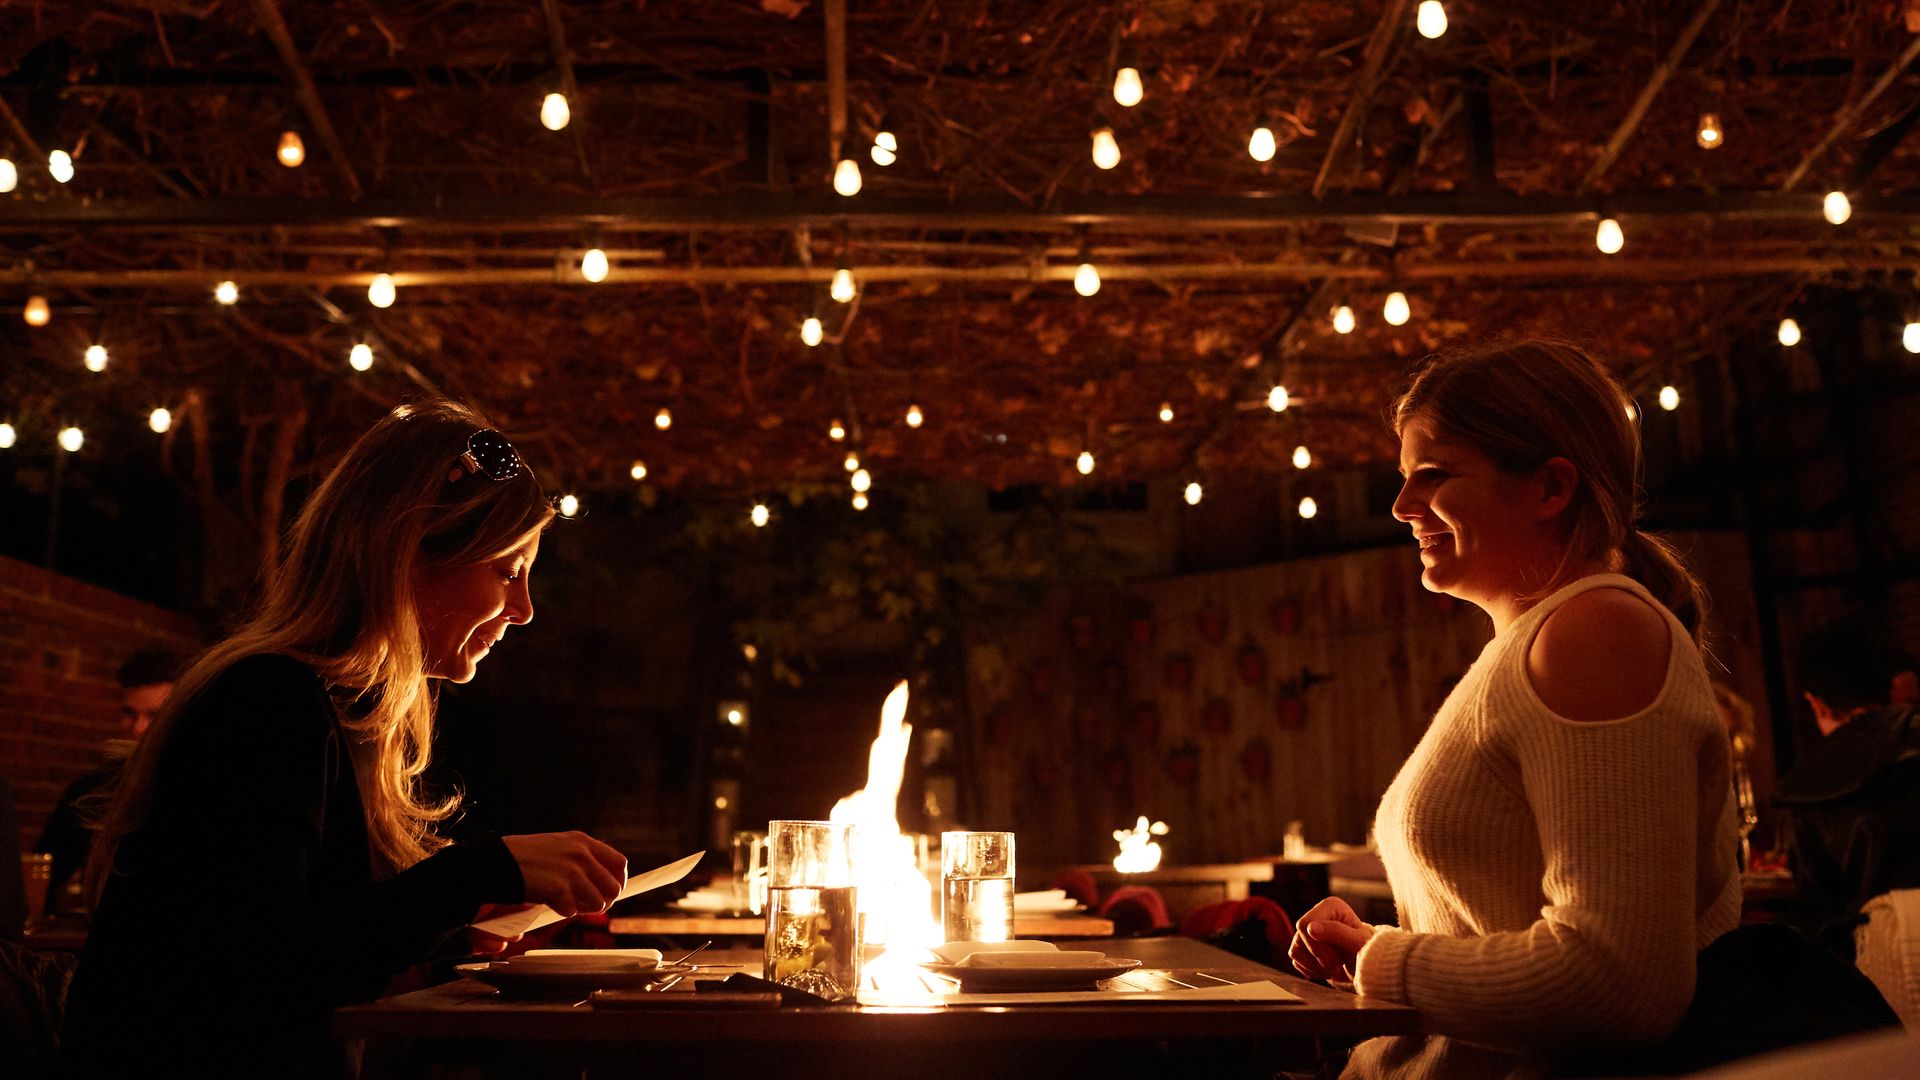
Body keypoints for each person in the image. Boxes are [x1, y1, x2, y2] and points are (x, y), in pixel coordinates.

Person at [60, 400, 630, 1077]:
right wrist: (480, 871)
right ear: (407, 552)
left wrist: (444, 935)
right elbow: (260, 982)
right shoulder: (265, 703)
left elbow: (323, 939)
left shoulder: (342, 710)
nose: (525, 609)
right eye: (509, 570)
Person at [1288, 341, 1741, 1077]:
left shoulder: (1597, 632)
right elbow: (1509, 931)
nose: (1402, 508)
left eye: (1432, 477)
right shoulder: (1541, 639)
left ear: (1550, 489)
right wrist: (1371, 950)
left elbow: (1618, 983)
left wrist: (1381, 961)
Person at [1774, 619, 1920, 958]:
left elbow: (1821, 925)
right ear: (1889, 683)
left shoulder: (1809, 788)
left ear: (1817, 703)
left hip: (1878, 978)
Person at [33, 648, 181, 915]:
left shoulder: (195, 791)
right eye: (129, 714)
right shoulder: (88, 793)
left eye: (154, 716)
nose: (138, 729)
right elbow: (45, 877)